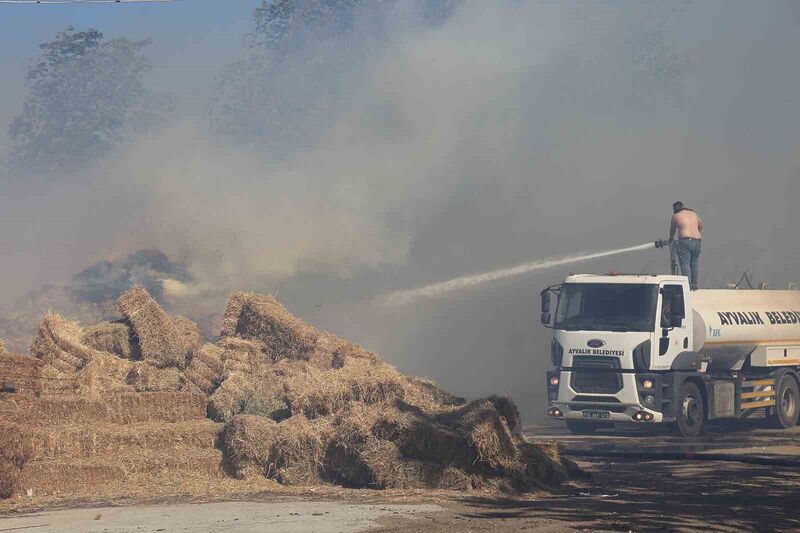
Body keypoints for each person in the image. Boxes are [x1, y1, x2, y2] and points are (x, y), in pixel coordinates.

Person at [669, 201, 703, 290]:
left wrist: (671, 239)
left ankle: (687, 285)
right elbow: (701, 225)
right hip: (697, 241)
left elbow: (672, 229)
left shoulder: (676, 216)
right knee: (694, 264)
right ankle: (694, 284)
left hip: (685, 241)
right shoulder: (693, 213)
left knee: (685, 264)